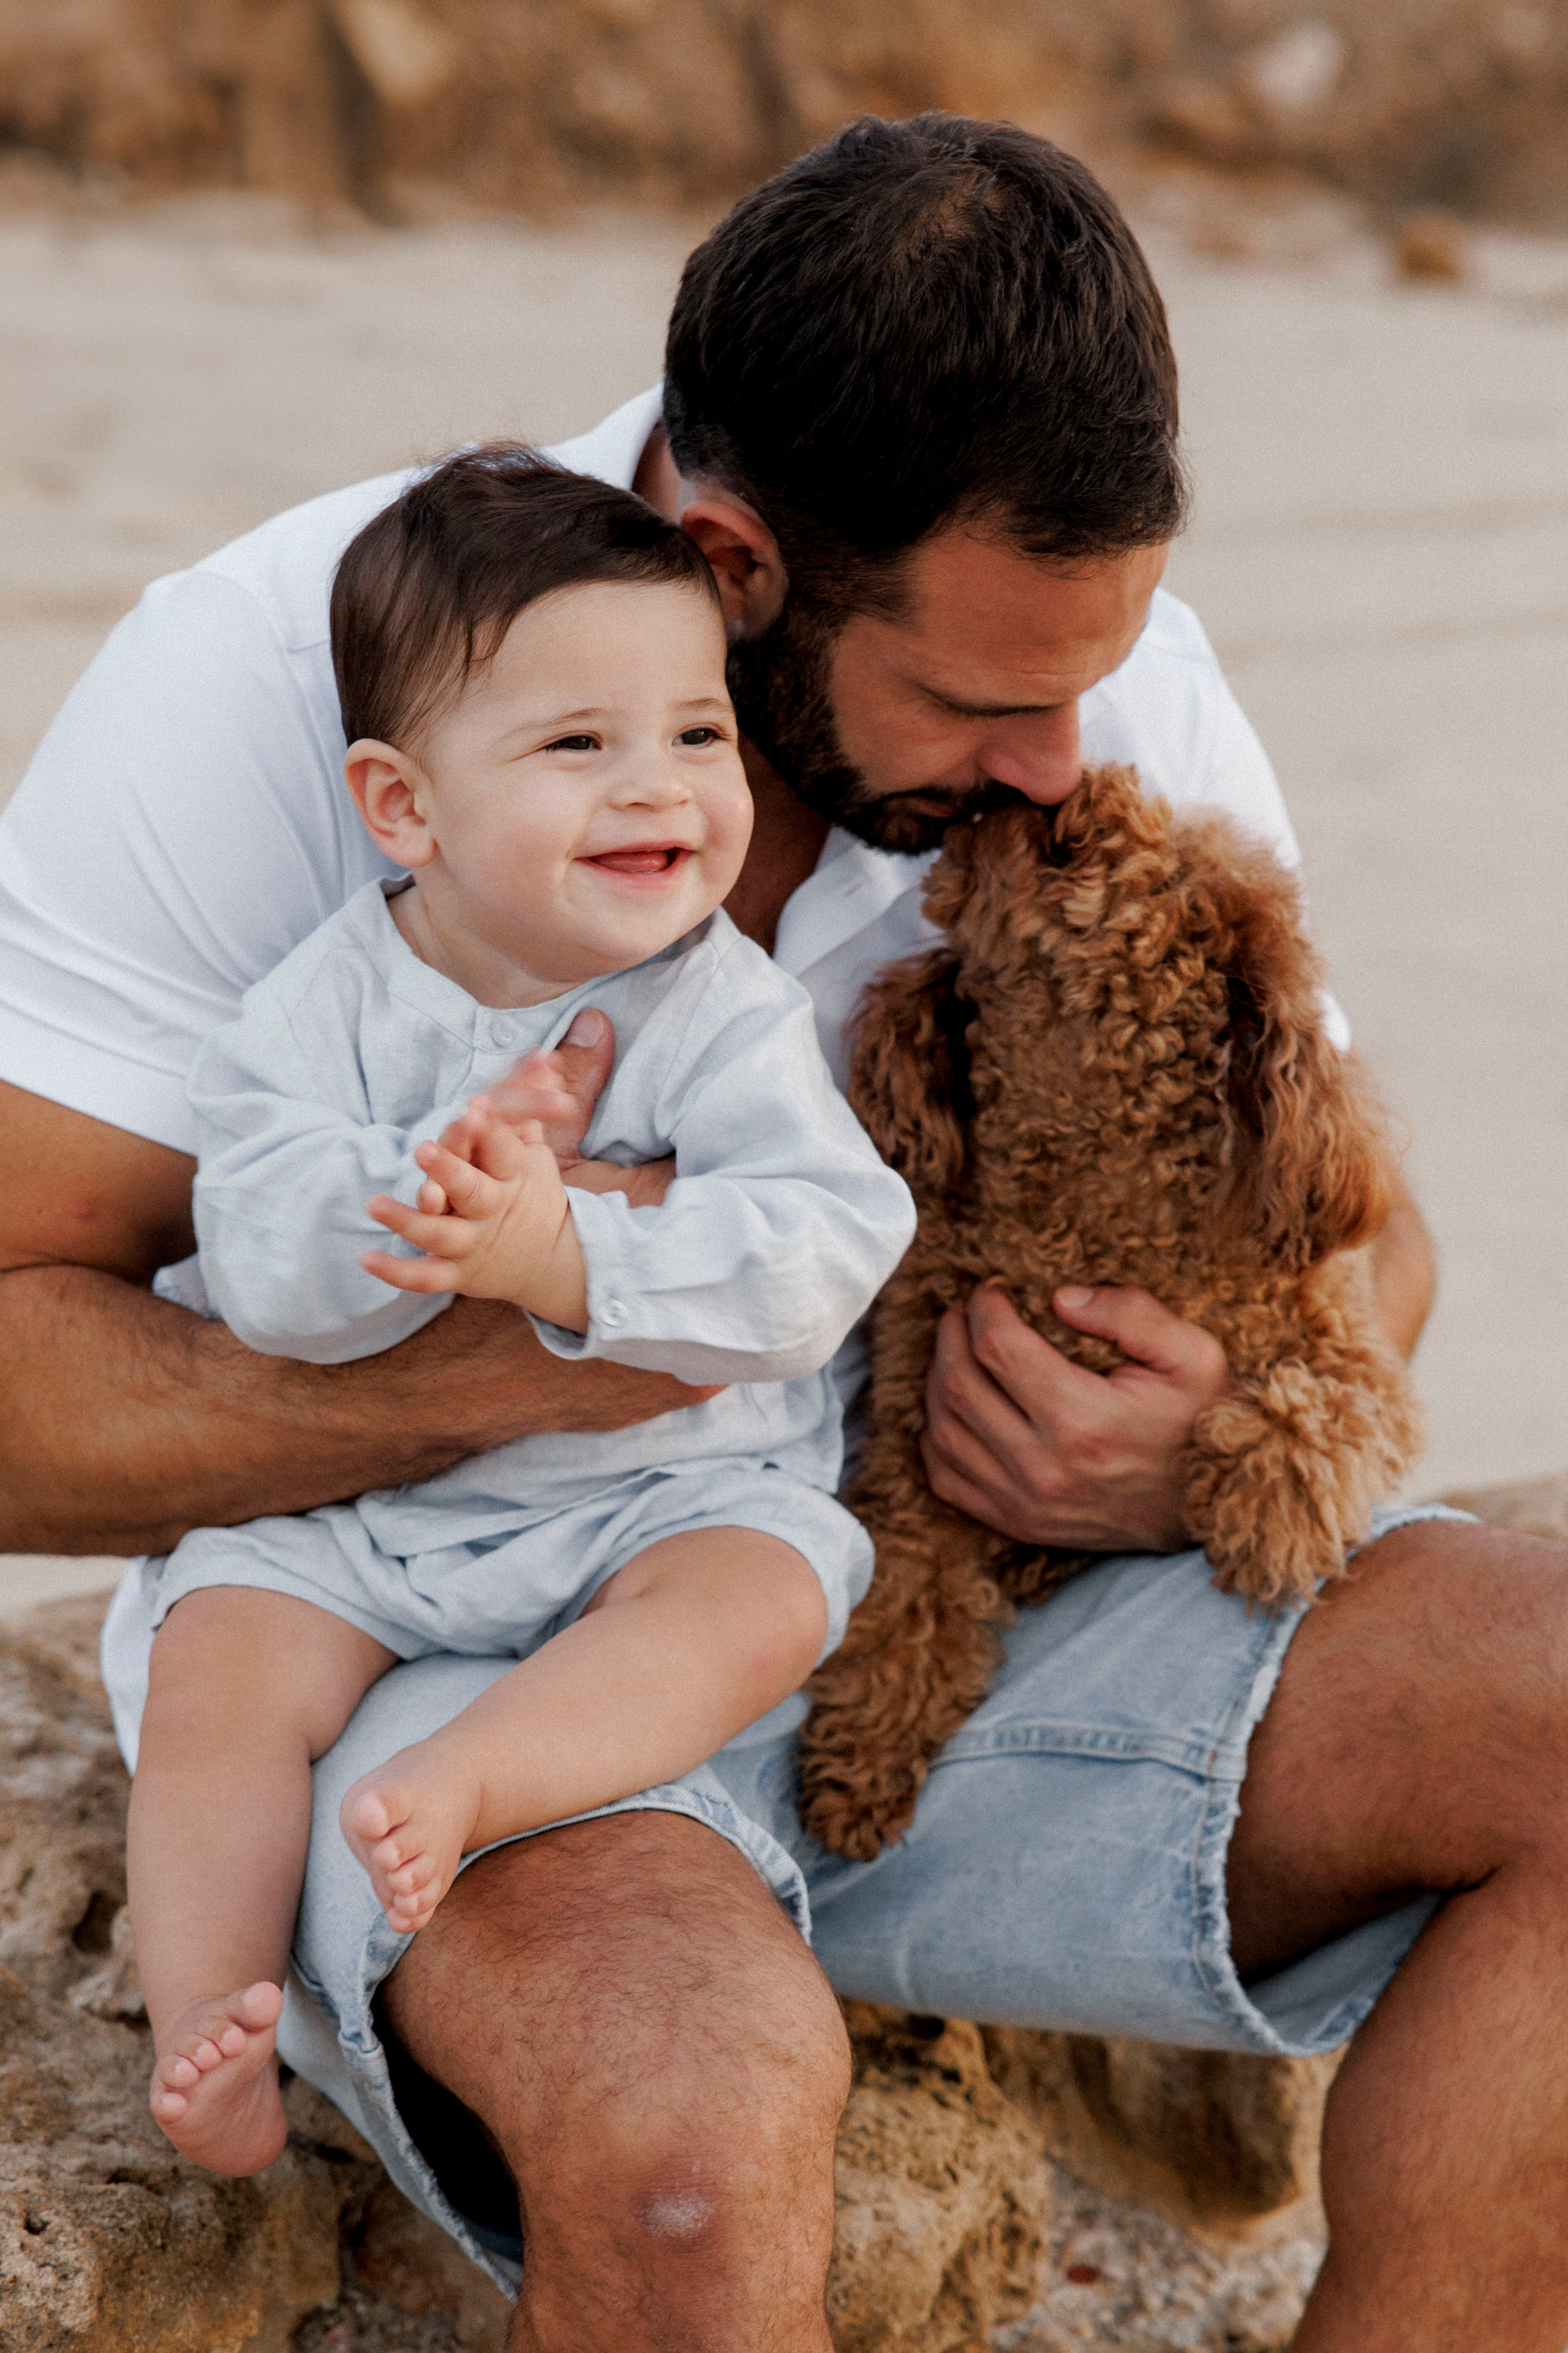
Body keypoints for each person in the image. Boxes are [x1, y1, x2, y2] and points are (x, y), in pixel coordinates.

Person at [1, 113, 1565, 2353]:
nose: (1065, 759)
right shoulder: (281, 676)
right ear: (733, 563)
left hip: (940, 1610)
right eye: (985, 705)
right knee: (682, 2151)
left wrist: (1190, 1441)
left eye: (1089, 681)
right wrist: (552, 1332)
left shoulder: (1098, 679)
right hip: (463, 1670)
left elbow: (1368, 1246)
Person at [126, 448, 915, 2177]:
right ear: (404, 807)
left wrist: (570, 1254)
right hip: (374, 1519)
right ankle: (209, 2021)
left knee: (765, 1592)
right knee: (218, 1663)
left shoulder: (723, 1013)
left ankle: (487, 1770)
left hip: (664, 1500)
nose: (659, 786)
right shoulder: (321, 1009)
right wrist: (426, 1192)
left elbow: (828, 1245)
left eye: (697, 731)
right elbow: (254, 1250)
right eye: (577, 745)